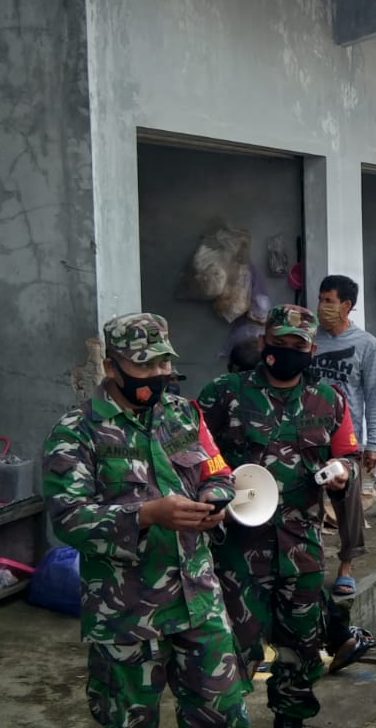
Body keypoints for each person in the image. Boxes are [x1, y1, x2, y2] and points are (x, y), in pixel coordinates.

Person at [44, 312, 250, 727]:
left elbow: (217, 469)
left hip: (199, 601)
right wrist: (145, 515)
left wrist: (215, 498)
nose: (157, 374)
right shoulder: (77, 432)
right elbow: (68, 518)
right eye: (143, 365)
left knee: (223, 715)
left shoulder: (182, 414)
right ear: (111, 367)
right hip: (127, 614)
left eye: (163, 363)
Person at [200, 305, 360, 728]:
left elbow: (347, 455)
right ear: (264, 342)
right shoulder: (225, 393)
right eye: (280, 342)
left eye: (298, 344)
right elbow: (191, 454)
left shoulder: (329, 399)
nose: (288, 351)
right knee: (234, 647)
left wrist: (343, 472)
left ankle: (291, 718)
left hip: (301, 547)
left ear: (312, 349)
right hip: (237, 551)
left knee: (301, 646)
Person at [307, 276, 376, 598]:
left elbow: (373, 395)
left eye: (329, 301)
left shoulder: (366, 344)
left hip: (345, 436)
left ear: (347, 306)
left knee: (348, 502)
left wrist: (374, 443)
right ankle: (309, 563)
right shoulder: (310, 339)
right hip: (307, 432)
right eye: (320, 299)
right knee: (308, 502)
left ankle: (346, 566)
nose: (322, 307)